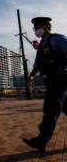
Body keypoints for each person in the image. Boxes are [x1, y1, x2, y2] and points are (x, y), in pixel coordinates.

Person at [22, 17, 67, 152]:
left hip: (61, 78)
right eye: (35, 28)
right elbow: (37, 64)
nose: (36, 30)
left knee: (50, 108)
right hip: (50, 79)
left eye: (38, 27)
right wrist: (31, 76)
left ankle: (42, 140)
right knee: (64, 106)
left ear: (47, 26)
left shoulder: (57, 39)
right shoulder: (41, 45)